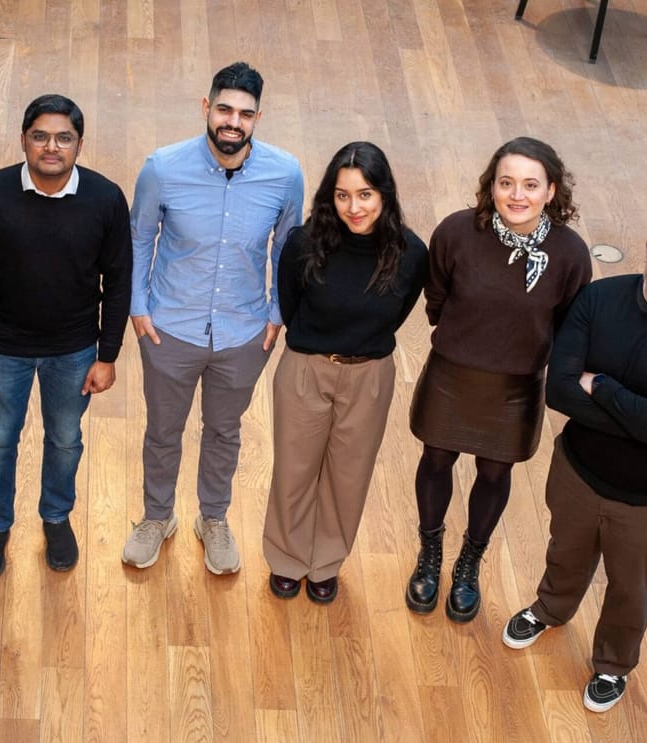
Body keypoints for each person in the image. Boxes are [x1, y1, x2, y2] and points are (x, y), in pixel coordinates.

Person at [501, 214, 647, 713]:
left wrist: (602, 385)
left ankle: (613, 663)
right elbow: (559, 391)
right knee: (565, 552)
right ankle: (551, 609)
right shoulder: (599, 299)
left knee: (632, 586)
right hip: (578, 471)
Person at [121, 61, 304, 575]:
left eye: (245, 114)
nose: (233, 122)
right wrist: (138, 307)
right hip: (169, 328)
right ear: (206, 107)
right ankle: (157, 517)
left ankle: (214, 518)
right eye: (224, 109)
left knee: (224, 432)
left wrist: (277, 311)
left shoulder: (285, 174)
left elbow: (288, 248)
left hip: (244, 333)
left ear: (258, 118)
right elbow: (139, 237)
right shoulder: (162, 168)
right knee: (163, 431)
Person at [406, 137, 592, 622]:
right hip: (452, 374)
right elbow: (436, 296)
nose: (517, 195)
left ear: (551, 191)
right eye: (506, 183)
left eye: (530, 185)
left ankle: (470, 561)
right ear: (492, 186)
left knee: (494, 473)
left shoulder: (570, 254)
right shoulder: (456, 232)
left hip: (516, 387)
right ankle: (430, 553)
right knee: (435, 459)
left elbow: (570, 324)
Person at [0, 94, 132, 577]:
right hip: (2, 350)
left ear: (79, 144)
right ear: (23, 140)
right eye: (40, 136)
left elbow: (119, 281)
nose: (51, 147)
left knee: (65, 440)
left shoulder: (105, 199)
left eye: (63, 138)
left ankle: (56, 517)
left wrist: (107, 355)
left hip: (74, 352)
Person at [263, 142, 429, 603]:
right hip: (306, 368)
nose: (354, 207)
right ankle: (287, 558)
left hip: (369, 377)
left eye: (365, 195)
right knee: (294, 470)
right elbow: (291, 306)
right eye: (342, 195)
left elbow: (396, 314)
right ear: (329, 196)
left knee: (349, 477)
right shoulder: (304, 243)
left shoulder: (412, 253)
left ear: (384, 195)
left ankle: (325, 563)